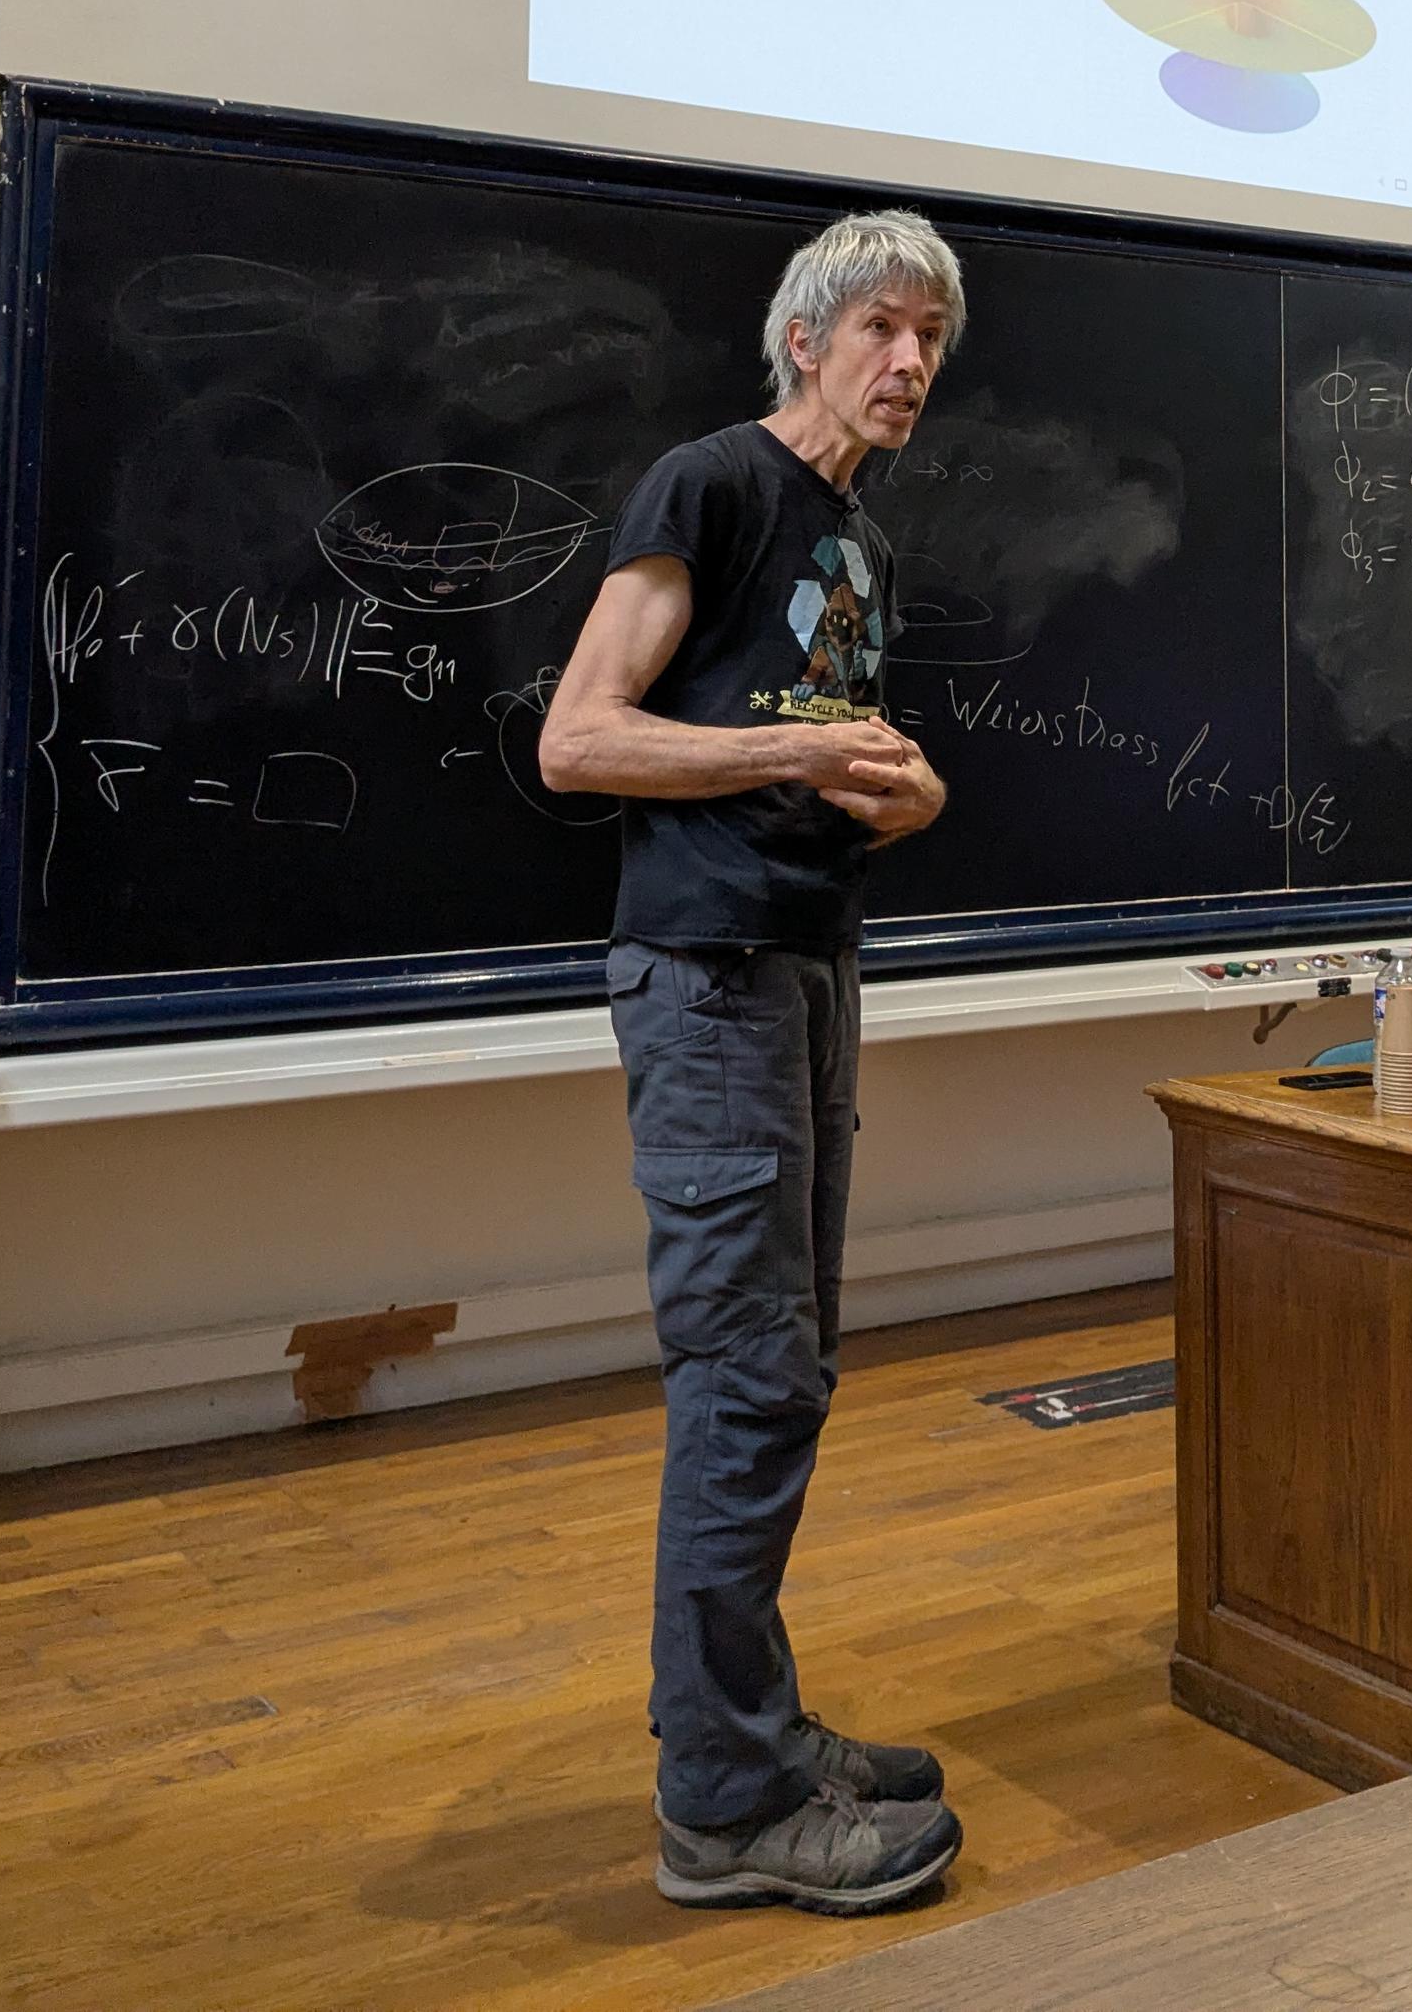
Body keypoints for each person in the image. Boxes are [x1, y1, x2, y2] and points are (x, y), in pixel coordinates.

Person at [539, 206, 965, 1914]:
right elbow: (580, 738)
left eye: (931, 337)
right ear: (806, 334)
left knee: (784, 1371)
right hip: (708, 976)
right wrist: (769, 762)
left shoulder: (857, 544)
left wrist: (908, 794)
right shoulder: (708, 484)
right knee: (743, 1376)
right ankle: (720, 1798)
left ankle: (758, 1727)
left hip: (804, 963)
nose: (910, 361)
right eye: (881, 326)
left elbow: (827, 769)